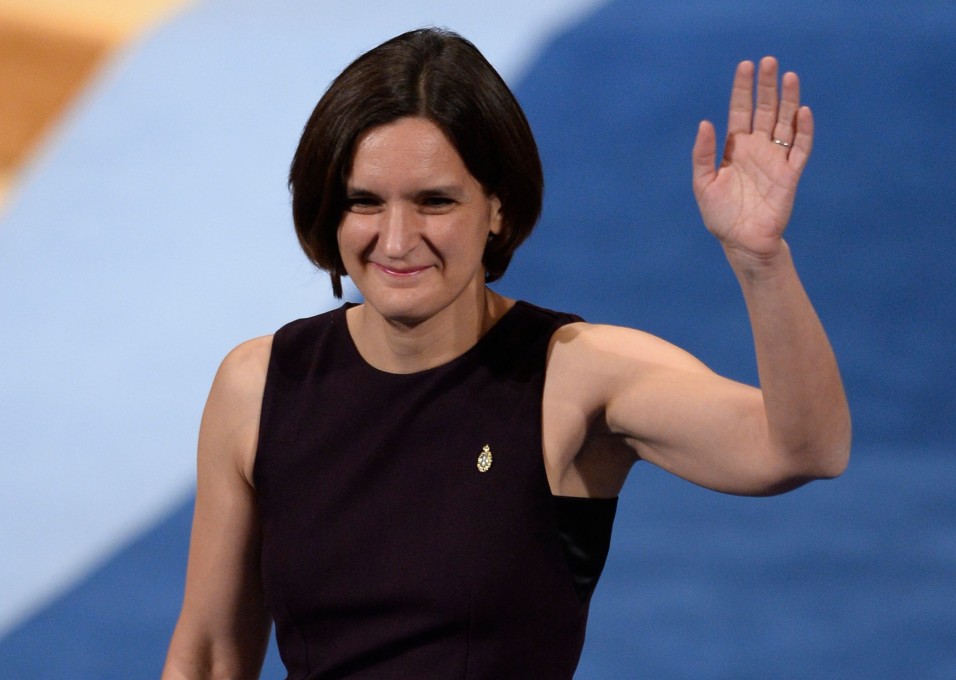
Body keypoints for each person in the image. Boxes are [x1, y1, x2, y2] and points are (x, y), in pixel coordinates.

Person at [162, 27, 850, 679]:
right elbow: (210, 656)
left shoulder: (576, 376)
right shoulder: (258, 385)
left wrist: (760, 260)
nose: (396, 241)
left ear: (498, 207)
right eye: (364, 202)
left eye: (435, 202)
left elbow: (801, 450)